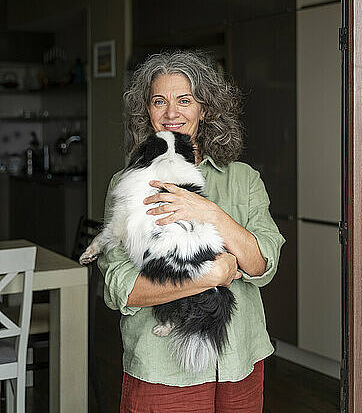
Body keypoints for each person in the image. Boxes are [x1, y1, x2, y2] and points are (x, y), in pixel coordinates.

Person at [98, 50, 285, 413]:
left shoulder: (243, 179)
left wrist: (209, 212)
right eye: (159, 101)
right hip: (162, 368)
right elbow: (122, 288)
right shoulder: (128, 185)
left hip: (239, 360)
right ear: (146, 112)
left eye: (185, 100)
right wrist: (211, 274)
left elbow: (262, 264)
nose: (171, 113)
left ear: (204, 109)